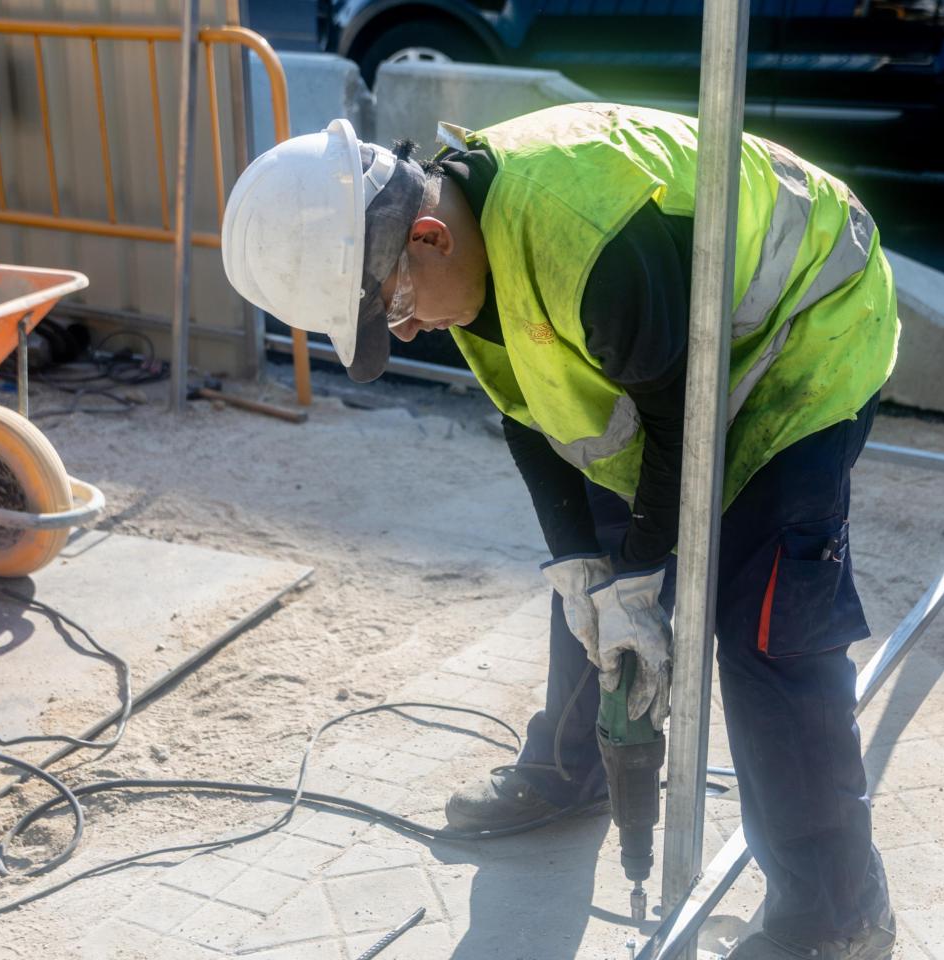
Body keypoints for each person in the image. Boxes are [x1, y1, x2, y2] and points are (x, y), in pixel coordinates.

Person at [220, 103, 899, 960]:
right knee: (602, 577)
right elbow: (531, 412)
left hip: (804, 327)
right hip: (669, 352)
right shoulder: (460, 257)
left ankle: (836, 918)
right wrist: (582, 567)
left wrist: (645, 574)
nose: (407, 327)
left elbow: (685, 427)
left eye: (393, 304)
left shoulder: (583, 241)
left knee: (767, 629)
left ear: (427, 237)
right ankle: (576, 772)